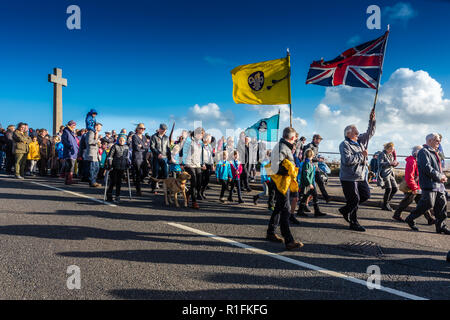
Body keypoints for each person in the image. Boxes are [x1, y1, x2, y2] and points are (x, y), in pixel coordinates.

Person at [266, 127, 303, 250]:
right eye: (295, 138)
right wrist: (290, 170)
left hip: (283, 183)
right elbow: (275, 168)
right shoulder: (282, 147)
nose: (296, 140)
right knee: (286, 210)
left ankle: (271, 232)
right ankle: (289, 240)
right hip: (281, 183)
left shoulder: (284, 146)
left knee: (278, 207)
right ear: (292, 138)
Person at [338, 108, 376, 232]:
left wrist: (372, 120)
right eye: (355, 132)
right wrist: (362, 155)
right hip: (349, 177)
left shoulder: (360, 142)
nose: (358, 133)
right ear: (348, 134)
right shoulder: (345, 144)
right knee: (354, 200)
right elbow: (347, 160)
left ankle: (345, 210)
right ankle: (354, 222)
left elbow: (370, 133)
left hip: (361, 176)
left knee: (365, 195)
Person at [405, 133, 450, 234]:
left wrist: (442, 176)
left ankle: (441, 227)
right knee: (427, 204)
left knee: (442, 205)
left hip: (439, 184)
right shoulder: (423, 151)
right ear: (430, 141)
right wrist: (440, 176)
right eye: (437, 140)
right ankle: (410, 218)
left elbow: (438, 168)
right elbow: (427, 168)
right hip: (429, 184)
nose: (439, 142)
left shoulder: (435, 152)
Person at [393, 145, 435, 225]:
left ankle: (429, 219)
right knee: (408, 201)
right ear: (416, 153)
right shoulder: (412, 161)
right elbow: (409, 177)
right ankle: (397, 214)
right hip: (413, 186)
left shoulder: (415, 160)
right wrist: (414, 188)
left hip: (416, 186)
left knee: (421, 203)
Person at [297, 149, 326, 217]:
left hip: (310, 183)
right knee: (308, 196)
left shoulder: (309, 162)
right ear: (311, 155)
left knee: (309, 196)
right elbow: (306, 175)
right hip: (307, 184)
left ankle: (302, 211)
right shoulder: (306, 163)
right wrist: (309, 184)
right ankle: (315, 211)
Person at [303, 134, 330, 203]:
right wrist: (318, 159)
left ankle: (327, 198)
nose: (319, 141)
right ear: (314, 138)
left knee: (320, 183)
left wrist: (319, 158)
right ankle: (304, 203)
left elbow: (315, 156)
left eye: (320, 140)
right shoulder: (309, 146)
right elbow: (307, 157)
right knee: (311, 188)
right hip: (310, 168)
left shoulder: (316, 147)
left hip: (316, 168)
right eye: (318, 139)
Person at [106, 134, 130, 204]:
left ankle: (117, 196)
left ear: (125, 141)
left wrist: (128, 163)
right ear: (118, 140)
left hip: (122, 167)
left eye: (123, 140)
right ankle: (109, 195)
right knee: (113, 181)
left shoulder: (126, 147)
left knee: (119, 182)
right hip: (114, 166)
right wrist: (110, 164)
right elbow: (110, 156)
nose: (122, 141)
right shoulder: (115, 146)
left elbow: (127, 157)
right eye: (120, 140)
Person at [183, 127, 204, 209]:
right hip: (189, 164)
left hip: (197, 164)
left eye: (202, 135)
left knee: (199, 183)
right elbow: (183, 152)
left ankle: (188, 194)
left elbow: (201, 154)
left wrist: (203, 163)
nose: (202, 136)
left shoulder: (200, 143)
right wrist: (183, 163)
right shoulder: (189, 141)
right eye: (201, 134)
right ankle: (194, 202)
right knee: (194, 182)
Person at [378, 142, 399, 211]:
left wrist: (395, 164)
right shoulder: (382, 154)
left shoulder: (390, 154)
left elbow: (392, 164)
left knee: (395, 188)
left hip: (390, 173)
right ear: (387, 148)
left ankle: (385, 203)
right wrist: (390, 163)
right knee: (388, 189)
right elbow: (380, 164)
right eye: (391, 149)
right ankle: (385, 205)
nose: (392, 151)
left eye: (393, 149)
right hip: (384, 173)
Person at [150, 123, 171, 193]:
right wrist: (158, 153)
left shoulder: (166, 138)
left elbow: (168, 148)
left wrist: (170, 157)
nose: (164, 131)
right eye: (162, 129)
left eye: (165, 130)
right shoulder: (154, 137)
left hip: (165, 158)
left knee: (166, 174)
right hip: (156, 157)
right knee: (155, 173)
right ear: (159, 129)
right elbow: (152, 147)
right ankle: (153, 188)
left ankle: (167, 189)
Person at [131, 123, 149, 196]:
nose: (142, 130)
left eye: (143, 129)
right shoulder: (134, 136)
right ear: (137, 129)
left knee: (146, 173)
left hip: (144, 157)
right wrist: (143, 146)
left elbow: (147, 147)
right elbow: (136, 147)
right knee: (138, 174)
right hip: (137, 157)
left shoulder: (144, 137)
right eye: (141, 128)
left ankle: (136, 182)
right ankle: (138, 190)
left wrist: (142, 146)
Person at [61, 120, 79, 185]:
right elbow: (64, 141)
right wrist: (70, 146)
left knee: (72, 166)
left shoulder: (71, 132)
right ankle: (68, 180)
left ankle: (70, 179)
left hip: (73, 152)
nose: (74, 127)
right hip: (69, 151)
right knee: (70, 166)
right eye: (73, 125)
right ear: (70, 125)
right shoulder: (66, 131)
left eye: (75, 125)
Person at [85, 123, 102, 188]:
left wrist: (98, 144)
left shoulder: (96, 133)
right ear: (96, 126)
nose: (100, 129)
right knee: (93, 168)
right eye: (100, 127)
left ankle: (94, 181)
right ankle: (92, 182)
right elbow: (89, 141)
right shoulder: (91, 132)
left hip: (96, 154)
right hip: (91, 153)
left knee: (97, 168)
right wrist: (97, 141)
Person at [200, 134, 214, 199]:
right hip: (202, 164)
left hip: (208, 164)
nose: (210, 140)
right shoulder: (200, 145)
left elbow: (210, 156)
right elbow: (200, 155)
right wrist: (202, 164)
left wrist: (212, 165)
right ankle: (198, 193)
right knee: (201, 179)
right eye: (209, 139)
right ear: (206, 139)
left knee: (207, 179)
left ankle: (202, 191)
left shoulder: (210, 146)